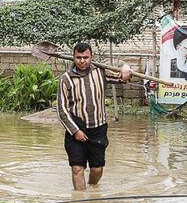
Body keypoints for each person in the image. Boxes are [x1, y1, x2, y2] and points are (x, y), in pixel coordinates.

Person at [56, 42, 132, 190]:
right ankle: (80, 201)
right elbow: (62, 111)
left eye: (86, 57)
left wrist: (126, 69)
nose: (82, 61)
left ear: (91, 57)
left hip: (98, 128)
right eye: (79, 57)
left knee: (97, 169)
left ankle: (92, 189)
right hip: (76, 128)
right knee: (77, 168)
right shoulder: (65, 79)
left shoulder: (100, 72)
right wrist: (75, 131)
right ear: (74, 58)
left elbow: (120, 78)